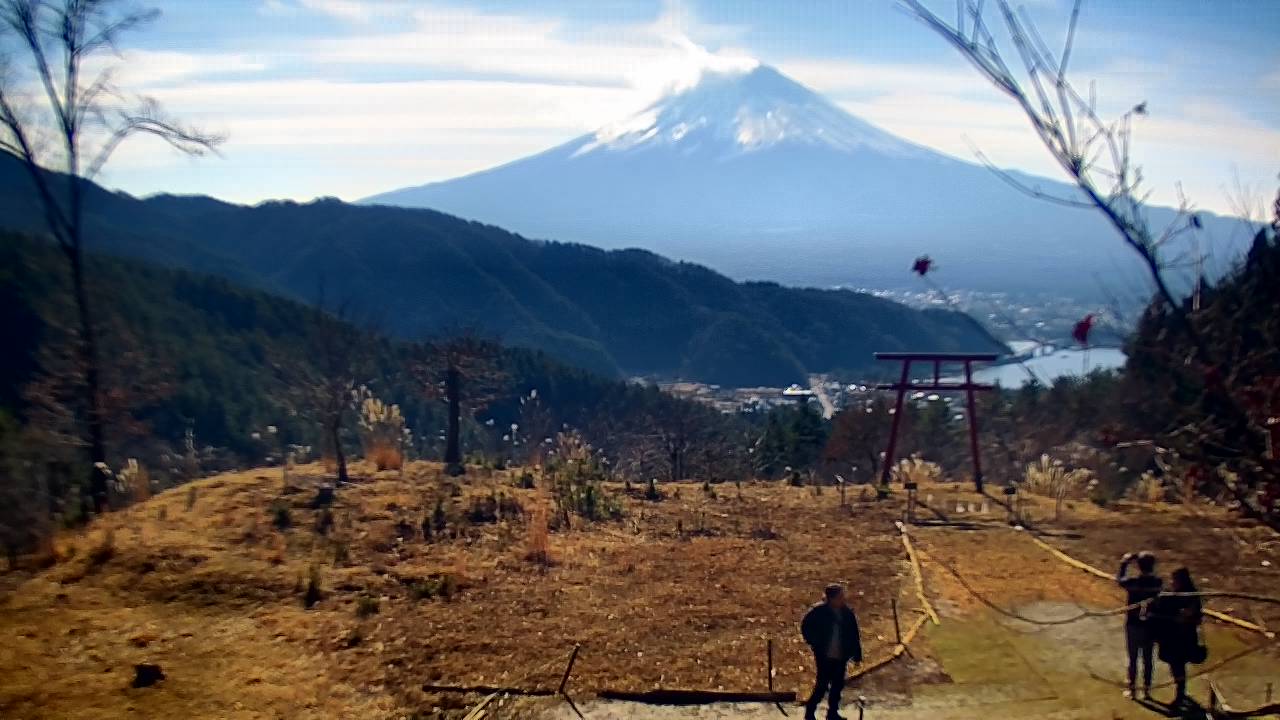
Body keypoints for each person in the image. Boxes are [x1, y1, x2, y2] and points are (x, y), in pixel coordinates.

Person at [800, 583, 863, 720]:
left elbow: (854, 634)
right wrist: (814, 642)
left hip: (841, 655)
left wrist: (856, 654)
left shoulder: (847, 614)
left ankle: (832, 713)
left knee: (837, 685)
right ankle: (810, 711)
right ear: (831, 598)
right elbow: (806, 627)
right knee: (822, 685)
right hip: (824, 655)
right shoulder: (818, 612)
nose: (843, 599)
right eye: (840, 596)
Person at [1154, 567, 1203, 707]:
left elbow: (1193, 616)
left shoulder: (1190, 597)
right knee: (1176, 667)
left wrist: (1183, 618)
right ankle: (1181, 692)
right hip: (1174, 638)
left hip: (1182, 639)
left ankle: (1180, 695)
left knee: (1178, 667)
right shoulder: (1173, 596)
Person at [1116, 551, 1161, 699]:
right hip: (1151, 625)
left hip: (1134, 624)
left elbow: (1120, 580)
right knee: (1148, 659)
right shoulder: (1157, 583)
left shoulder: (1134, 583)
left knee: (1133, 658)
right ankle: (1147, 690)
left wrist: (1124, 562)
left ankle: (1132, 689)